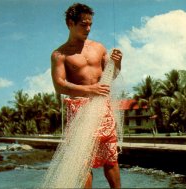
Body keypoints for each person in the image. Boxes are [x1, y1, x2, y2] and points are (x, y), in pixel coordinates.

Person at [50, 3, 122, 188]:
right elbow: (59, 86)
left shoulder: (99, 48)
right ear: (70, 23)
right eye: (83, 24)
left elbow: (111, 75)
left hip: (102, 108)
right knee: (83, 162)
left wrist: (118, 63)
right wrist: (90, 90)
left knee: (111, 157)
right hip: (78, 110)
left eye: (90, 24)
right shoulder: (60, 55)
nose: (88, 28)